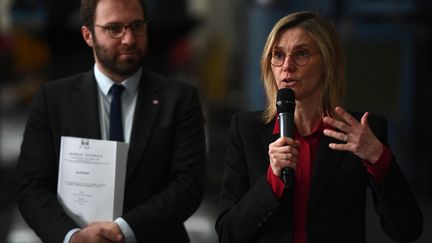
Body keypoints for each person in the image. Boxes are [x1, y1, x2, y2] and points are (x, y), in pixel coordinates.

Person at [215, 11, 422, 243]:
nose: (287, 66)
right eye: (278, 55)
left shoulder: (361, 131)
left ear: (327, 62)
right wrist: (272, 181)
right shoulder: (246, 130)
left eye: (301, 54)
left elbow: (408, 231)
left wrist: (378, 157)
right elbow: (228, 233)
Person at [16, 0, 206, 242]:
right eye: (114, 28)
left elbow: (188, 185)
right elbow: (31, 187)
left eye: (136, 26)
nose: (128, 39)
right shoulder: (53, 100)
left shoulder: (179, 99)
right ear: (88, 35)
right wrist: (72, 237)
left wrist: (122, 230)